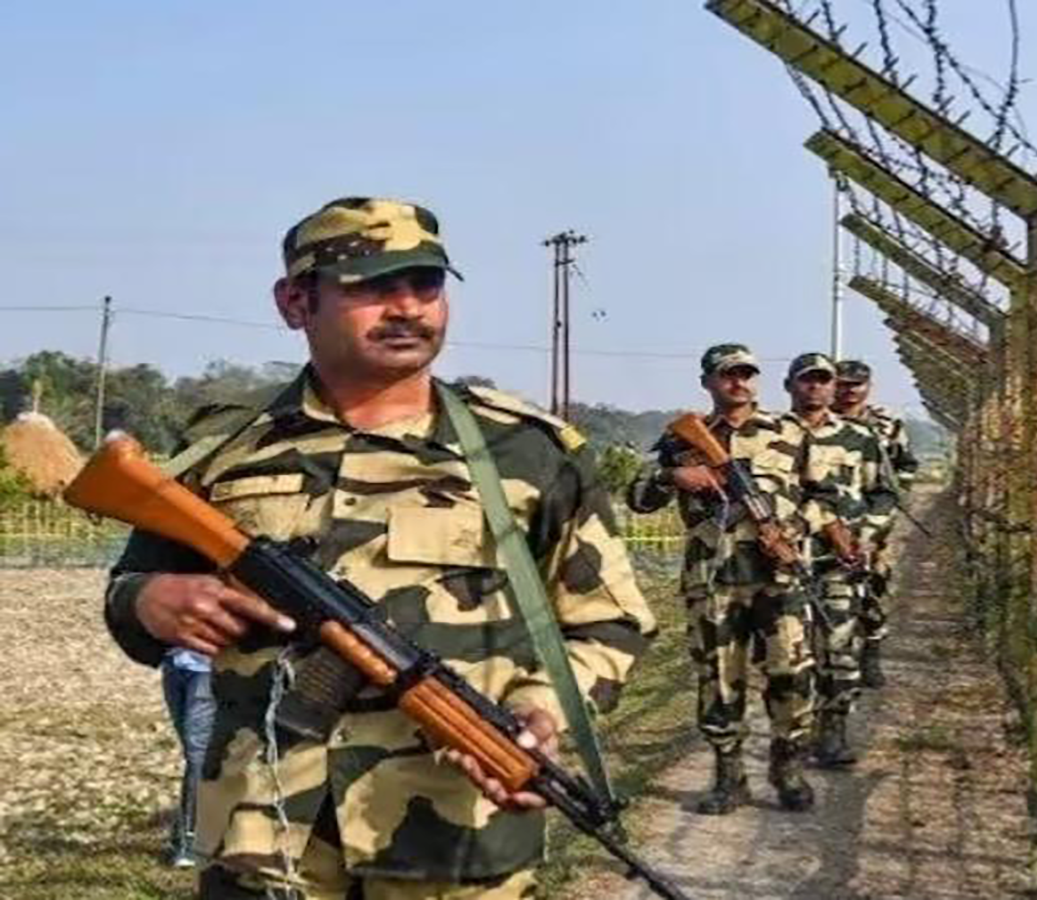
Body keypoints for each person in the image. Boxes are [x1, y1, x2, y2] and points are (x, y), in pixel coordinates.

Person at [101, 196, 657, 899]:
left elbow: (611, 620)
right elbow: (131, 588)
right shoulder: (224, 448)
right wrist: (147, 601)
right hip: (264, 840)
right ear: (295, 302)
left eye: (426, 283)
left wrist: (539, 710)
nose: (408, 307)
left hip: (452, 837)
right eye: (371, 286)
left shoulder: (526, 452)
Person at [626, 343, 818, 815]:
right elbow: (637, 498)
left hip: (778, 579)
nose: (739, 382)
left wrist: (791, 530)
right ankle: (729, 778)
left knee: (791, 674)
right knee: (718, 679)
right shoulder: (684, 438)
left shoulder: (789, 432)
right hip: (713, 580)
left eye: (747, 373)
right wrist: (672, 477)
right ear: (707, 382)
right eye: (728, 374)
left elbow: (825, 497)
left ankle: (787, 766)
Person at [783, 354, 896, 767]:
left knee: (839, 648)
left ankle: (832, 732)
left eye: (823, 380)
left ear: (833, 387)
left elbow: (884, 494)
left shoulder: (859, 437)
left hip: (838, 562)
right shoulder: (770, 434)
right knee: (788, 655)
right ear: (789, 386)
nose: (815, 387)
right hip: (784, 561)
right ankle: (791, 735)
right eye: (807, 380)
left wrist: (866, 538)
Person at [832, 360, 919, 689]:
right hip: (826, 516)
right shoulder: (816, 422)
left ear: (868, 387)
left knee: (871, 582)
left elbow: (906, 464)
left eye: (856, 384)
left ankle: (871, 646)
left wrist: (895, 497)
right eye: (842, 384)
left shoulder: (886, 425)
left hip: (872, 517)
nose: (849, 391)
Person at [160, 647, 214, 869]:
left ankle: (190, 842)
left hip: (207, 670)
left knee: (197, 756)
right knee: (196, 754)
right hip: (174, 665)